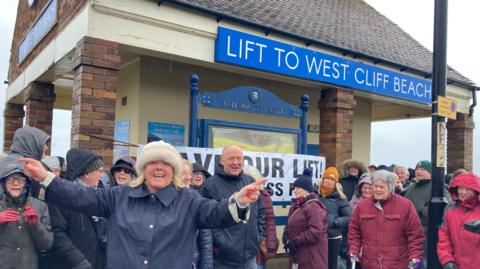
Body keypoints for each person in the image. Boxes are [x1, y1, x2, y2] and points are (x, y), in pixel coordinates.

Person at [19, 141, 265, 269]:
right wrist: (45, 177)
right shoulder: (118, 196)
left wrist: (240, 200)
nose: (159, 167)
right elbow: (79, 196)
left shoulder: (188, 200)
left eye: (166, 163)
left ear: (174, 170)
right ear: (143, 169)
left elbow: (216, 213)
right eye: (153, 162)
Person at [200, 145, 265, 269]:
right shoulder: (209, 185)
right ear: (221, 161)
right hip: (223, 260)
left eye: (239, 158)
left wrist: (259, 236)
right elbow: (203, 219)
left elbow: (260, 211)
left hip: (250, 258)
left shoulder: (250, 181)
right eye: (231, 159)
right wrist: (221, 242)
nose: (235, 162)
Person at [348, 170, 424, 269]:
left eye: (382, 187)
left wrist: (415, 256)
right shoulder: (362, 206)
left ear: (390, 188)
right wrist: (354, 250)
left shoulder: (405, 205)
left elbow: (415, 234)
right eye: (375, 186)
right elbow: (354, 231)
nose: (377, 190)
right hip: (370, 263)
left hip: (397, 263)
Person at [47, 148, 108, 269]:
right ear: (86, 173)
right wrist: (79, 262)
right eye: (98, 171)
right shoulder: (62, 197)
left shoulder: (100, 195)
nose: (102, 175)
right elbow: (57, 235)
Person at [0, 162, 53, 269]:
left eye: (20, 179)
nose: (15, 183)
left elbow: (46, 246)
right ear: (3, 184)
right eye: (10, 179)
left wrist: (35, 224)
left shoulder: (40, 206)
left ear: (27, 183)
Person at [283, 171, 328, 269]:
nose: (294, 191)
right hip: (298, 255)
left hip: (312, 257)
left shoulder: (315, 207)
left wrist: (296, 241)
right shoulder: (294, 207)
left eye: (298, 188)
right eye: (294, 188)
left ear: (307, 190)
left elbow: (315, 232)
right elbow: (291, 223)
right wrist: (286, 233)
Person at [437, 173, 480, 269]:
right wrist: (446, 260)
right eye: (460, 188)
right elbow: (444, 237)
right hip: (456, 264)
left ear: (475, 190)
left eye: (468, 189)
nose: (463, 192)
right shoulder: (450, 209)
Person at [0, 126, 50, 199]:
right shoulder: (29, 168)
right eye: (42, 142)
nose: (46, 147)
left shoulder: (4, 162)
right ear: (31, 143)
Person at [244, 165, 279, 269]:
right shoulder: (240, 195)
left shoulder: (264, 195)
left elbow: (270, 222)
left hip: (258, 245)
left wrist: (271, 245)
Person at [318, 167, 352, 269]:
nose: (329, 181)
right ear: (323, 179)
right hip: (316, 237)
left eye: (332, 180)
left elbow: (349, 217)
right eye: (327, 178)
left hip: (333, 238)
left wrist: (334, 222)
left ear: (336, 182)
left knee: (331, 265)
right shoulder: (315, 195)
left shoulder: (340, 197)